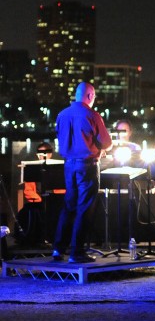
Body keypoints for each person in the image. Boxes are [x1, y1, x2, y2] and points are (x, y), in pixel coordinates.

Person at [52, 82, 112, 262]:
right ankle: (77, 253)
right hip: (87, 165)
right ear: (89, 96)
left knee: (69, 205)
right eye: (93, 97)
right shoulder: (92, 114)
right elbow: (106, 142)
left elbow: (60, 136)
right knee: (84, 207)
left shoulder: (62, 115)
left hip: (68, 165)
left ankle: (58, 249)